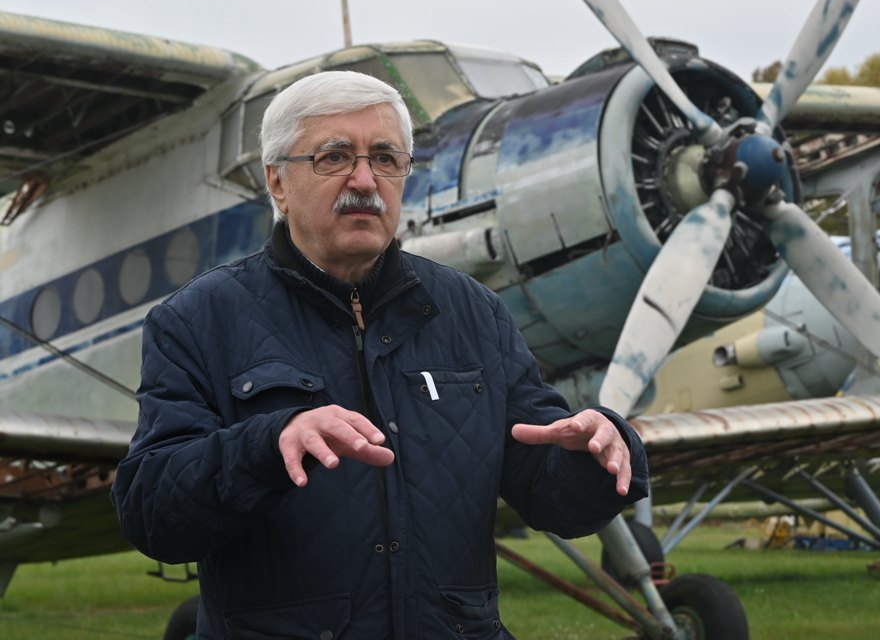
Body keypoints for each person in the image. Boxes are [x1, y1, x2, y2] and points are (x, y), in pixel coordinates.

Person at [112, 70, 649, 639]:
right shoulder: (196, 320)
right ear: (277, 184)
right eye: (334, 157)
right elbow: (152, 516)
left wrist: (602, 453)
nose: (365, 180)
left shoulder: (475, 313)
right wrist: (269, 445)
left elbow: (553, 498)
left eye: (387, 159)